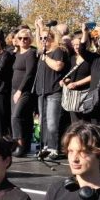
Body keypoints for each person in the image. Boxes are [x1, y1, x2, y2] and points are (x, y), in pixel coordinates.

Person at [33, 29, 68, 159]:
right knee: (43, 122)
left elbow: (58, 66)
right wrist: (39, 27)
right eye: (41, 38)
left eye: (46, 38)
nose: (42, 40)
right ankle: (45, 146)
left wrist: (45, 57)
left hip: (54, 91)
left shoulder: (58, 51)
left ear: (54, 38)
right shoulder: (43, 52)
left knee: (52, 122)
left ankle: (54, 148)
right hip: (41, 91)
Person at [10, 28, 38, 157]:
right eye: (20, 38)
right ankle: (25, 145)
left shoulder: (30, 53)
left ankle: (20, 145)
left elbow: (29, 74)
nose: (23, 41)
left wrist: (20, 90)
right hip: (14, 90)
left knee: (16, 117)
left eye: (25, 38)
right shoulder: (16, 54)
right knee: (24, 118)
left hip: (24, 91)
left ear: (30, 39)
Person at [61, 35, 94, 126]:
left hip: (85, 94)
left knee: (85, 123)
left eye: (78, 44)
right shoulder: (71, 57)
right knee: (75, 123)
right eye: (74, 44)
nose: (76, 47)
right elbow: (69, 74)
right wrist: (65, 81)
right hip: (72, 97)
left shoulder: (91, 57)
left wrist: (77, 83)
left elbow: (93, 75)